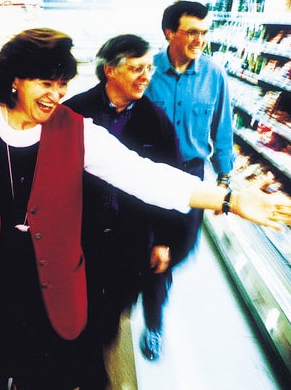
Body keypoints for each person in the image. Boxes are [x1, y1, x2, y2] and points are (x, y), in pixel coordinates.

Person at [0, 28, 291, 390]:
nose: (57, 96)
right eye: (45, 84)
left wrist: (230, 199)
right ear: (14, 80)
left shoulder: (76, 133)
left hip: (51, 295)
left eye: (62, 84)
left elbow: (146, 176)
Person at [63, 34, 187, 385]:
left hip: (129, 236)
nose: (146, 76)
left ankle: (98, 347)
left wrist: (163, 240)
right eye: (136, 68)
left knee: (113, 307)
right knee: (78, 306)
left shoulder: (156, 121)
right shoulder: (75, 111)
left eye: (149, 68)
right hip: (80, 231)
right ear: (109, 72)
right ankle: (89, 373)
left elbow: (168, 181)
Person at [143, 0, 235, 359]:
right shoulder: (147, 71)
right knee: (152, 252)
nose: (200, 39)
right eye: (192, 32)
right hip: (151, 174)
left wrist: (225, 178)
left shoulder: (214, 75)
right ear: (170, 32)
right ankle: (154, 322)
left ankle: (159, 279)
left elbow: (223, 128)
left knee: (180, 249)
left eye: (204, 32)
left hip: (193, 176)